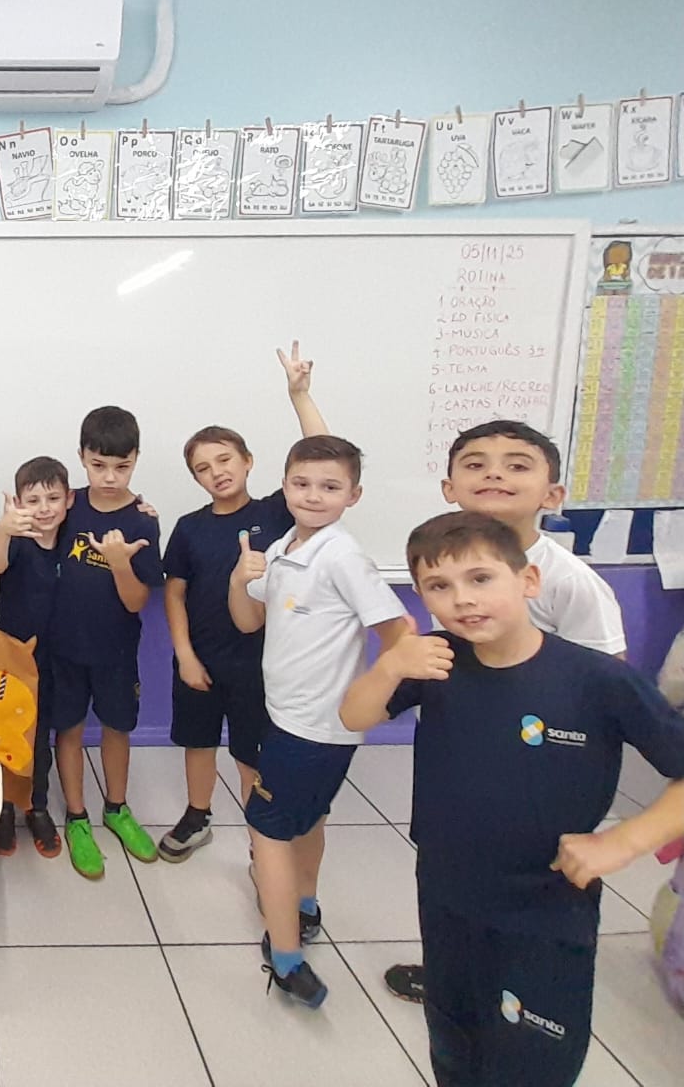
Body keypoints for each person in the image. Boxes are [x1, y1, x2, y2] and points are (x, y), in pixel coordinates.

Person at [342, 511, 684, 1087]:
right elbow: (355, 715)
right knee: (454, 1041)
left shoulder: (596, 680)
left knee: (530, 1058)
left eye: (480, 578)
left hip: (545, 907)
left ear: (528, 580)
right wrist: (390, 665)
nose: (462, 599)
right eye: (438, 586)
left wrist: (623, 841)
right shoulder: (436, 659)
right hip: (446, 893)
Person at [384, 419, 629, 1004]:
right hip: (460, 773)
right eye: (476, 464)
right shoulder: (442, 568)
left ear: (553, 493)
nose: (494, 474)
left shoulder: (571, 582)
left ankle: (518, 999)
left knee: (531, 909)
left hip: (541, 782)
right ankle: (452, 975)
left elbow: (606, 687)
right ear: (449, 488)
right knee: (453, 889)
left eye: (517, 465)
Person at [229, 434, 408, 1007]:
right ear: (284, 487)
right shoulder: (286, 544)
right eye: (301, 484)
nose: (313, 495)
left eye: (330, 487)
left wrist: (375, 698)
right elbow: (248, 620)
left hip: (314, 726)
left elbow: (399, 633)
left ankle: (285, 958)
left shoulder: (341, 555)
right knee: (309, 818)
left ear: (353, 495)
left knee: (268, 830)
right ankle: (304, 906)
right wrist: (238, 578)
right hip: (288, 716)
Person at [159, 344, 327, 861]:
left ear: (249, 461)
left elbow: (323, 457)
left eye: (225, 459)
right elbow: (175, 593)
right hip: (202, 658)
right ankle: (197, 815)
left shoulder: (277, 513)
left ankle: (263, 840)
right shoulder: (189, 528)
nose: (216, 472)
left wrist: (299, 395)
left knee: (252, 754)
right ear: (195, 479)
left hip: (259, 662)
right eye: (203, 468)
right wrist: (184, 655)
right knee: (198, 742)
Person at [49, 407, 164, 879]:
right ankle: (77, 817)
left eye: (122, 466)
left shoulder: (143, 522)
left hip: (116, 650)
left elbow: (137, 601)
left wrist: (118, 562)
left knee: (118, 727)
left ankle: (116, 808)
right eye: (98, 465)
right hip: (63, 646)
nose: (110, 477)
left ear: (136, 458)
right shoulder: (67, 505)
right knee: (69, 728)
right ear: (81, 457)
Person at [0, 455, 72, 857]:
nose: (44, 509)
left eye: (53, 499)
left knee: (40, 739)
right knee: (4, 734)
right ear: (19, 503)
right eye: (33, 501)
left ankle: (36, 806)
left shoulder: (73, 538)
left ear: (68, 500)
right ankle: (3, 806)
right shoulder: (17, 542)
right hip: (11, 661)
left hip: (55, 661)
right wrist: (3, 529)